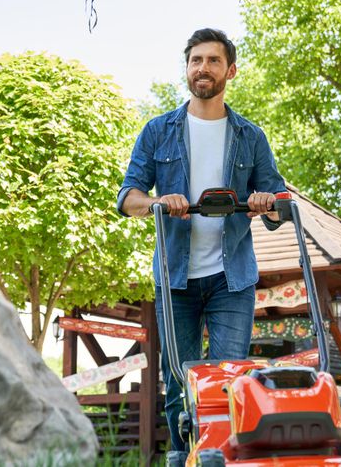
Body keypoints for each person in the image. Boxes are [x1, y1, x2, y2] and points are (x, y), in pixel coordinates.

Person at [116, 28, 286, 462]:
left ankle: (227, 461)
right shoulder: (158, 131)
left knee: (231, 382)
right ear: (187, 69)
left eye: (212, 60)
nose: (203, 68)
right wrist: (158, 201)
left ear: (230, 70)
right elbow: (129, 197)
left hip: (232, 279)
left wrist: (266, 203)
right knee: (180, 385)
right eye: (195, 60)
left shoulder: (250, 136)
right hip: (176, 279)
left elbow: (280, 203)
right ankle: (185, 458)